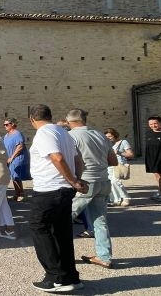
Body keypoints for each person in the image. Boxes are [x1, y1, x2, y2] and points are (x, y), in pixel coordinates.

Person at [27, 104, 87, 293]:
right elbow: (78, 160)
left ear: (32, 119)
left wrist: (73, 181)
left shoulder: (44, 133)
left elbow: (57, 158)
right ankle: (70, 277)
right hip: (63, 190)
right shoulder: (64, 133)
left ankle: (56, 278)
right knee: (61, 233)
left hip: (48, 190)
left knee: (40, 228)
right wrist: (76, 180)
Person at [67, 109, 116, 269]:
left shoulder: (71, 136)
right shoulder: (100, 135)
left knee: (64, 218)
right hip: (103, 180)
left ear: (69, 121)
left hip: (85, 181)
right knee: (100, 220)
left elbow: (68, 161)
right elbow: (113, 161)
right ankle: (104, 256)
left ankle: (62, 257)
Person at [3, 118, 31, 201]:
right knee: (13, 176)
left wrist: (12, 157)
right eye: (4, 125)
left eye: (6, 124)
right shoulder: (6, 135)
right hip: (10, 158)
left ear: (12, 124)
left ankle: (21, 193)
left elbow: (20, 146)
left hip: (17, 157)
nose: (5, 126)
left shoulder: (17, 134)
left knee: (16, 176)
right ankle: (17, 193)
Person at [104, 128, 132, 207]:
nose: (108, 138)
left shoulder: (123, 142)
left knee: (115, 182)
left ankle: (126, 198)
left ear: (115, 135)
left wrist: (119, 152)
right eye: (106, 137)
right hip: (109, 165)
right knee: (110, 183)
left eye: (110, 136)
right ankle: (116, 200)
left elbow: (130, 154)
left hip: (119, 164)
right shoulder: (107, 144)